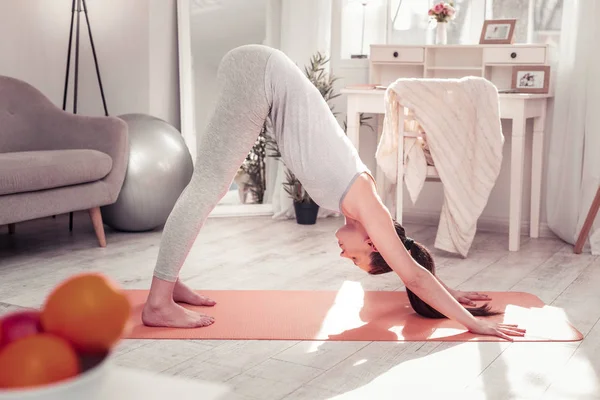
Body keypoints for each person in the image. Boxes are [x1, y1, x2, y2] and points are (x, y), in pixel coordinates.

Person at [141, 44, 525, 341]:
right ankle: (158, 303)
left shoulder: (354, 203)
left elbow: (415, 269)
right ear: (375, 242)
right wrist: (473, 323)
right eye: (357, 260)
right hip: (260, 73)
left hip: (261, 72)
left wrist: (451, 294)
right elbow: (414, 276)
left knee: (211, 182)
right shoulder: (366, 205)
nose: (345, 257)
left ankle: (169, 282)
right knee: (210, 182)